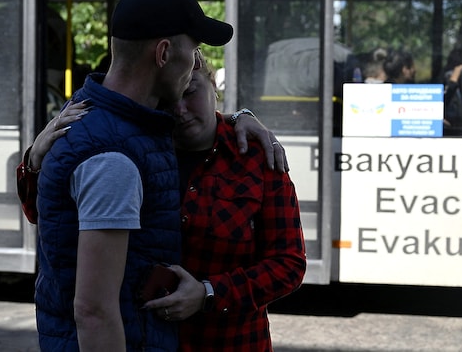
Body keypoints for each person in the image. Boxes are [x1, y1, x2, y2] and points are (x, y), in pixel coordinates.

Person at [20, 51, 306, 351]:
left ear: (214, 86)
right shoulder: (136, 151)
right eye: (171, 101)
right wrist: (36, 160)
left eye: (192, 92)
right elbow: (49, 219)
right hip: (146, 340)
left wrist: (210, 293)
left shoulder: (255, 156)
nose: (181, 110)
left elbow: (289, 264)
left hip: (230, 342)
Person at [32, 0, 233, 350]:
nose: (195, 65)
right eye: (194, 51)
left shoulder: (97, 116)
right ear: (164, 53)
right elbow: (94, 311)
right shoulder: (113, 159)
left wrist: (241, 118)